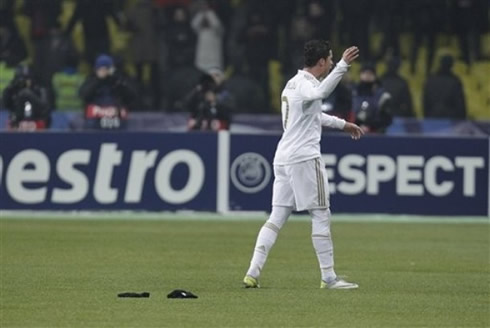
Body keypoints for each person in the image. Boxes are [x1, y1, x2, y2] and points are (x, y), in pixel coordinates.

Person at [242, 40, 363, 290]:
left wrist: (343, 124)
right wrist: (343, 66)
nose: (331, 63)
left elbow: (313, 114)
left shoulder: (292, 83)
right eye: (329, 59)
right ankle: (328, 278)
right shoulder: (309, 85)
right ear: (321, 62)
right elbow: (320, 94)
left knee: (277, 217)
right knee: (320, 212)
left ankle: (253, 272)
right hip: (304, 158)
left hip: (283, 157)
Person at [79, 54, 137, 130]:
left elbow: (132, 95)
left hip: (116, 118)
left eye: (106, 68)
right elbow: (83, 95)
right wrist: (98, 80)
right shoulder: (91, 79)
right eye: (101, 69)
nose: (104, 71)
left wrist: (116, 80)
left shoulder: (118, 80)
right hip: (95, 119)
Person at [2, 65, 50, 131]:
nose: (24, 82)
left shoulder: (38, 90)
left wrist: (29, 95)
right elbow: (5, 104)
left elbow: (45, 108)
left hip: (36, 120)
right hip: (17, 120)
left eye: (27, 79)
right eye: (21, 79)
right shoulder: (13, 90)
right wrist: (10, 88)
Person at [352, 64, 393, 133]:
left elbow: (387, 118)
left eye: (370, 73)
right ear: (360, 74)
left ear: (375, 76)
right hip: (353, 130)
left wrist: (370, 125)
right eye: (365, 73)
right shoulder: (353, 92)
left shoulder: (383, 95)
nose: (367, 76)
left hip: (376, 133)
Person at [423, 55, 466, 119]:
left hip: (432, 118)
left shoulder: (430, 80)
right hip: (451, 120)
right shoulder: (455, 81)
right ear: (452, 65)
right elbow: (460, 104)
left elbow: (425, 102)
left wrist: (427, 118)